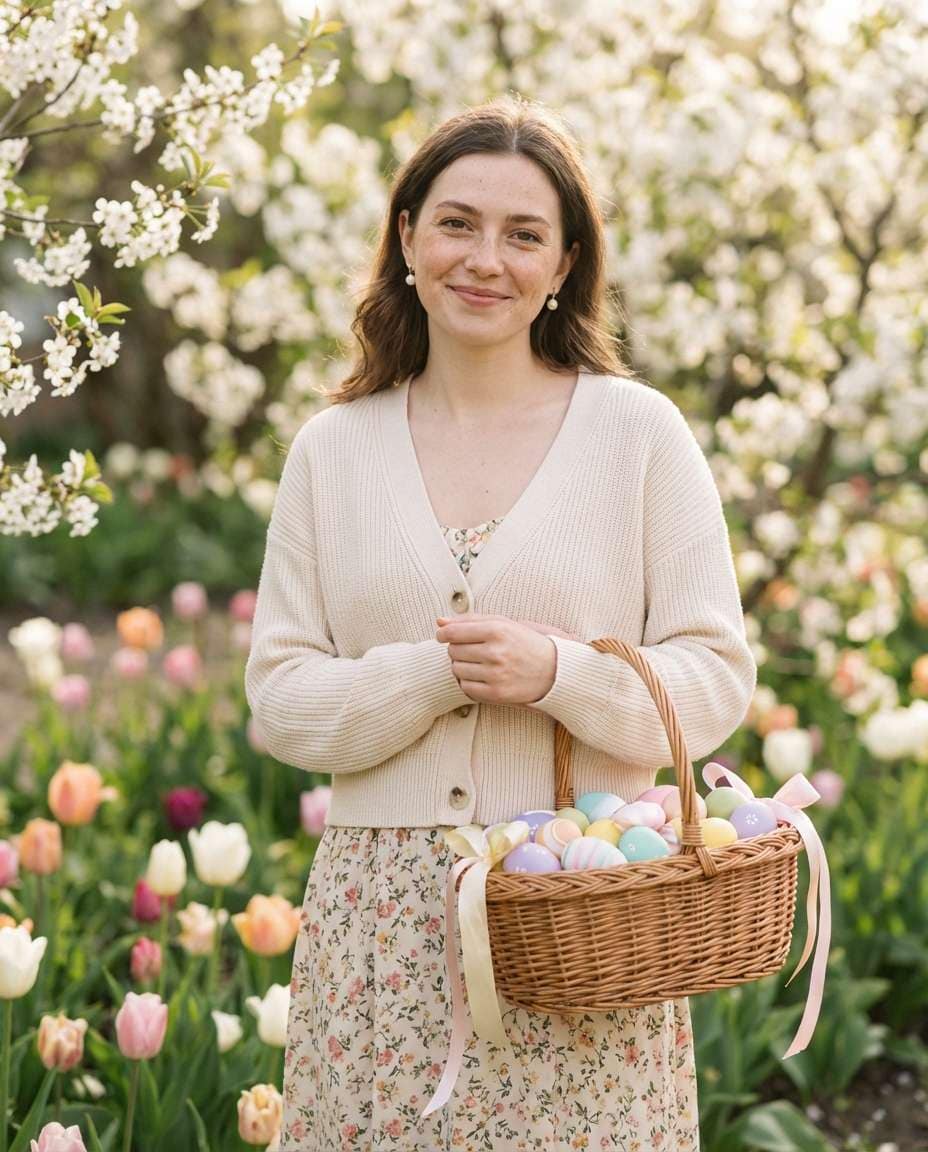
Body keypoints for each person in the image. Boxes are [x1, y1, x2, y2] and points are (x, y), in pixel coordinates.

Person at [245, 94, 757, 1151]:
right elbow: (280, 706)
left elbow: (713, 679)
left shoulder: (638, 435)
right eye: (456, 223)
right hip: (381, 929)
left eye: (524, 235)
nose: (485, 259)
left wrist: (558, 671)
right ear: (406, 240)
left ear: (565, 264)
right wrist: (429, 676)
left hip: (584, 915)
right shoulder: (330, 451)